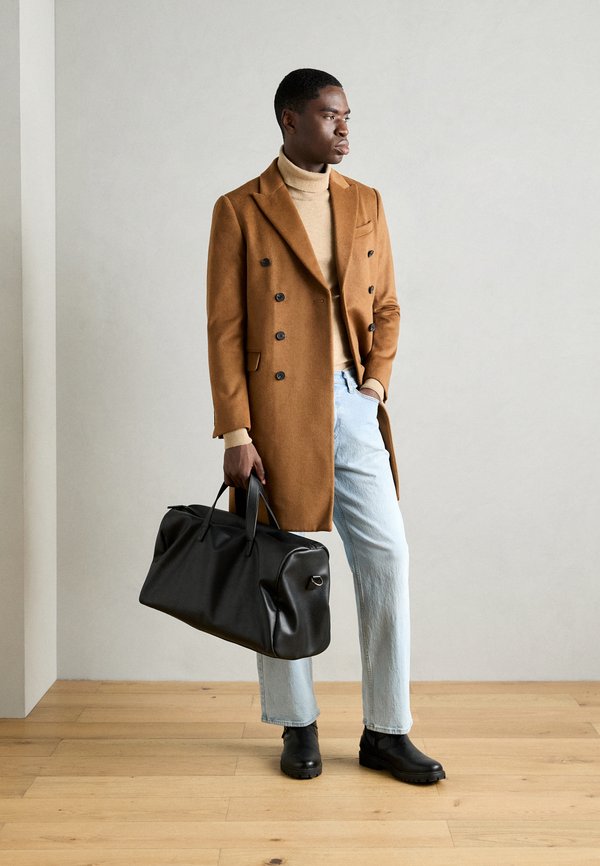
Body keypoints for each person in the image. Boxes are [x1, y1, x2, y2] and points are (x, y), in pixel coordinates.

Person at [206, 68, 445, 785]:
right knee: (280, 568)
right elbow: (225, 329)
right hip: (276, 409)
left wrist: (374, 385)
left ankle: (387, 732)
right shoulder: (240, 208)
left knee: (386, 558)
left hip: (350, 400)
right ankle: (296, 723)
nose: (344, 127)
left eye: (347, 115)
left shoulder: (365, 200)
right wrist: (236, 432)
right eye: (329, 114)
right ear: (290, 120)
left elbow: (388, 305)